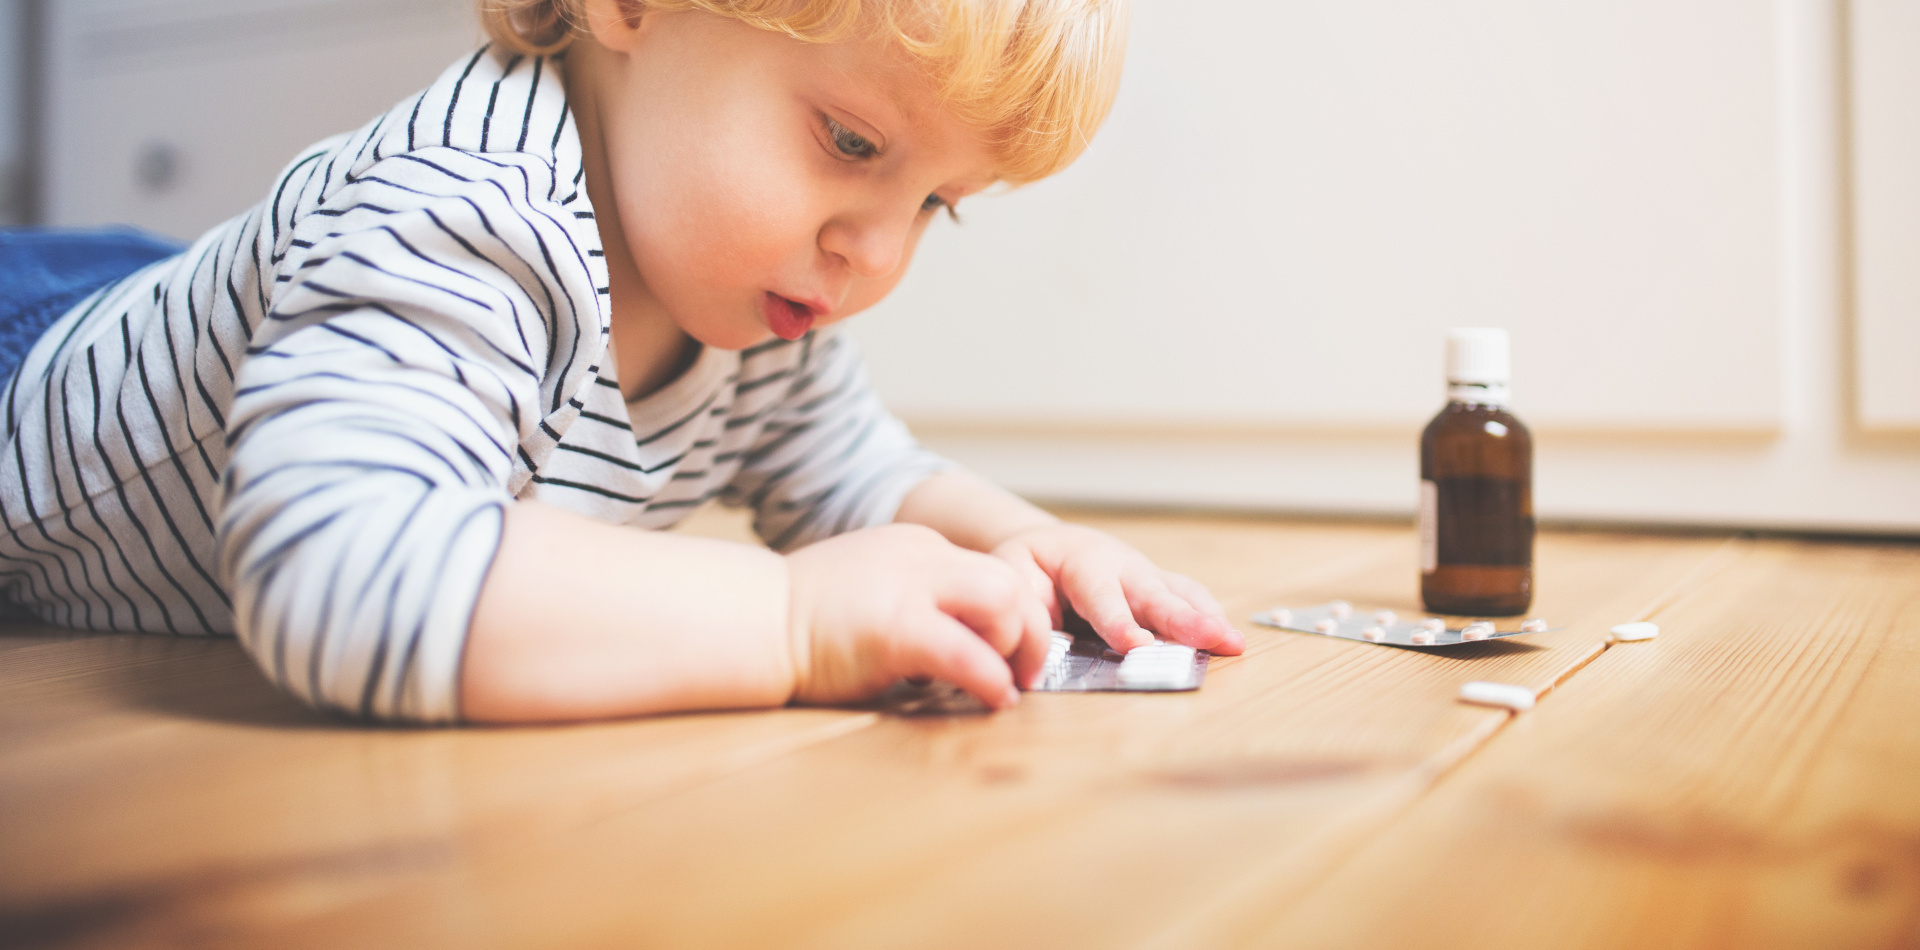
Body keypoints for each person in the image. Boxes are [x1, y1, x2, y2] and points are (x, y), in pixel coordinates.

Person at [0, 0, 1242, 724]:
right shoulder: (466, 209)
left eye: (936, 204)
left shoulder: (759, 294)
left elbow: (858, 471)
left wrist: (1029, 542)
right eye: (853, 140)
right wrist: (796, 618)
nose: (874, 251)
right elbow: (345, 566)